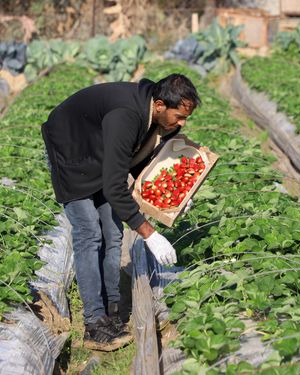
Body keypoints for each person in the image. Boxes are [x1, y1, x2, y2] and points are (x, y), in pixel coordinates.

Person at [42, 74, 201, 350]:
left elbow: (141, 161)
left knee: (113, 233)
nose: (182, 124)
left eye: (186, 118)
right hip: (71, 149)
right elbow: (116, 187)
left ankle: (111, 311)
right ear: (161, 105)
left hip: (102, 153)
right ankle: (93, 324)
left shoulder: (162, 120)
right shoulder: (126, 115)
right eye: (179, 116)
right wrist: (149, 234)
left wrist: (176, 196)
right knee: (89, 232)